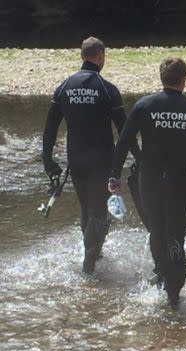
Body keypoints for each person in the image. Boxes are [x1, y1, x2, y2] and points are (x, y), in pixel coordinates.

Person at [108, 57, 186, 308]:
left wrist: (114, 174)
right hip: (180, 181)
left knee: (157, 230)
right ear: (184, 79)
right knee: (177, 232)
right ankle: (173, 289)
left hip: (151, 179)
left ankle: (163, 277)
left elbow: (123, 142)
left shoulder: (145, 105)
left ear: (162, 77)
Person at [41, 36, 138, 274]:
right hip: (102, 159)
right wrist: (139, 156)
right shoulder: (107, 89)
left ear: (82, 56)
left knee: (86, 208)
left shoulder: (64, 87)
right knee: (99, 211)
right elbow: (124, 131)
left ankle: (93, 253)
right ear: (100, 56)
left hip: (76, 159)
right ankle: (89, 262)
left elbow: (50, 127)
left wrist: (47, 159)